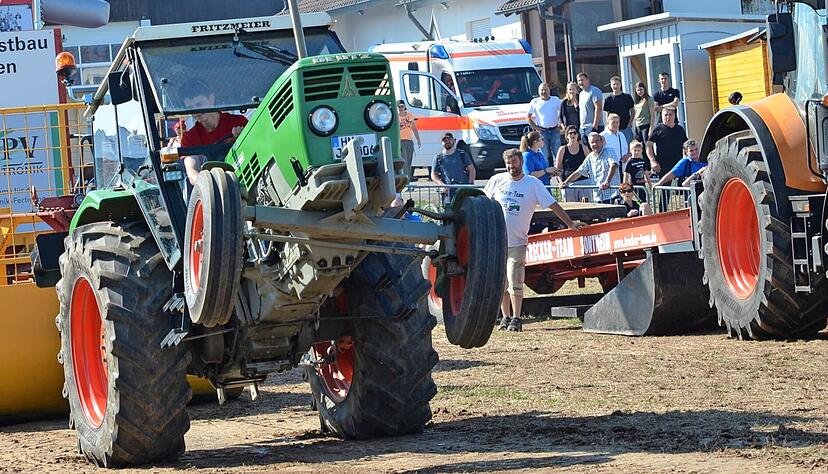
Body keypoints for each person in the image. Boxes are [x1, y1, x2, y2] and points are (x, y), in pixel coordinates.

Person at [484, 148, 587, 332]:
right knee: (501, 283)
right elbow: (483, 204)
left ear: (521, 163)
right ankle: (505, 317)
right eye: (508, 163)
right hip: (497, 242)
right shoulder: (496, 181)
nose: (511, 167)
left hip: (517, 242)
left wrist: (570, 223)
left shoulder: (532, 184)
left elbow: (552, 204)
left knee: (515, 279)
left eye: (514, 163)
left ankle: (517, 317)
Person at [180, 80, 248, 186]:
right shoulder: (189, 138)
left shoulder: (239, 122)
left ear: (211, 99)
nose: (195, 111)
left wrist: (243, 138)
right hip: (212, 190)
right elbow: (192, 173)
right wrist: (213, 188)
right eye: (190, 108)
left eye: (199, 104)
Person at [560, 132, 620, 204]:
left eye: (597, 141)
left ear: (601, 142)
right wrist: (566, 182)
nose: (595, 144)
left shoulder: (609, 151)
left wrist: (607, 182)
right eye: (592, 142)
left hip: (612, 195)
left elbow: (614, 165)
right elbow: (579, 172)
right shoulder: (590, 157)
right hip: (598, 197)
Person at [431, 132, 475, 203]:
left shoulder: (462, 154)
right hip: (447, 192)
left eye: (449, 139)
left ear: (454, 141)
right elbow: (433, 175)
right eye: (445, 140)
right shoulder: (438, 158)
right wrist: (442, 185)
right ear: (441, 142)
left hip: (463, 190)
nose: (447, 142)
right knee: (448, 212)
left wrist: (470, 185)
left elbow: (471, 169)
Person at [556, 125, 593, 203]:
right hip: (569, 184)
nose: (573, 135)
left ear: (578, 135)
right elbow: (558, 168)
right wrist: (560, 182)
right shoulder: (562, 149)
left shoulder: (584, 148)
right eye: (570, 133)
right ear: (567, 136)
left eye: (575, 133)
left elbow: (590, 165)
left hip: (584, 182)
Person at [646, 107, 687, 176]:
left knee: (681, 186)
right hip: (663, 166)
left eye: (670, 114)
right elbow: (648, 146)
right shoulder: (657, 129)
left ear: (674, 116)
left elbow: (686, 145)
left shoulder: (680, 129)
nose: (668, 117)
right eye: (665, 115)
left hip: (679, 165)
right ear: (662, 116)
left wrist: (686, 158)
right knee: (664, 186)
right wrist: (653, 161)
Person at [527, 82, 563, 160]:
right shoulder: (534, 102)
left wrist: (561, 126)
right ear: (538, 91)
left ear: (549, 91)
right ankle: (545, 171)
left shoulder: (556, 100)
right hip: (542, 132)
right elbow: (528, 117)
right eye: (542, 90)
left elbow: (563, 113)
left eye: (546, 90)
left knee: (557, 154)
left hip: (555, 130)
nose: (544, 92)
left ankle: (558, 171)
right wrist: (536, 128)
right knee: (544, 155)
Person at [603, 75, 635, 142]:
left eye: (617, 84)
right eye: (614, 84)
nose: (615, 86)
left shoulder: (627, 97)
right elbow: (607, 114)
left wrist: (630, 123)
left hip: (626, 127)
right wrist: (608, 125)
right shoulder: (608, 99)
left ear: (620, 85)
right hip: (613, 128)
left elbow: (632, 111)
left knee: (629, 147)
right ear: (611, 85)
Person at [576, 72, 604, 144]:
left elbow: (598, 108)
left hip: (594, 127)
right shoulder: (581, 94)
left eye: (582, 80)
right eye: (579, 80)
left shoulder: (594, 91)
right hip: (583, 128)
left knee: (597, 150)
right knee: (586, 152)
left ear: (588, 80)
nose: (580, 82)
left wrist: (595, 126)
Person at [398, 100, 421, 179]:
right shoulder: (397, 117)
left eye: (402, 106)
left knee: (409, 162)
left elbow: (414, 128)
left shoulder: (410, 115)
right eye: (399, 106)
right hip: (401, 141)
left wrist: (418, 139)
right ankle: (406, 182)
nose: (401, 108)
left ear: (405, 107)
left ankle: (408, 180)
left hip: (409, 141)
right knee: (404, 161)